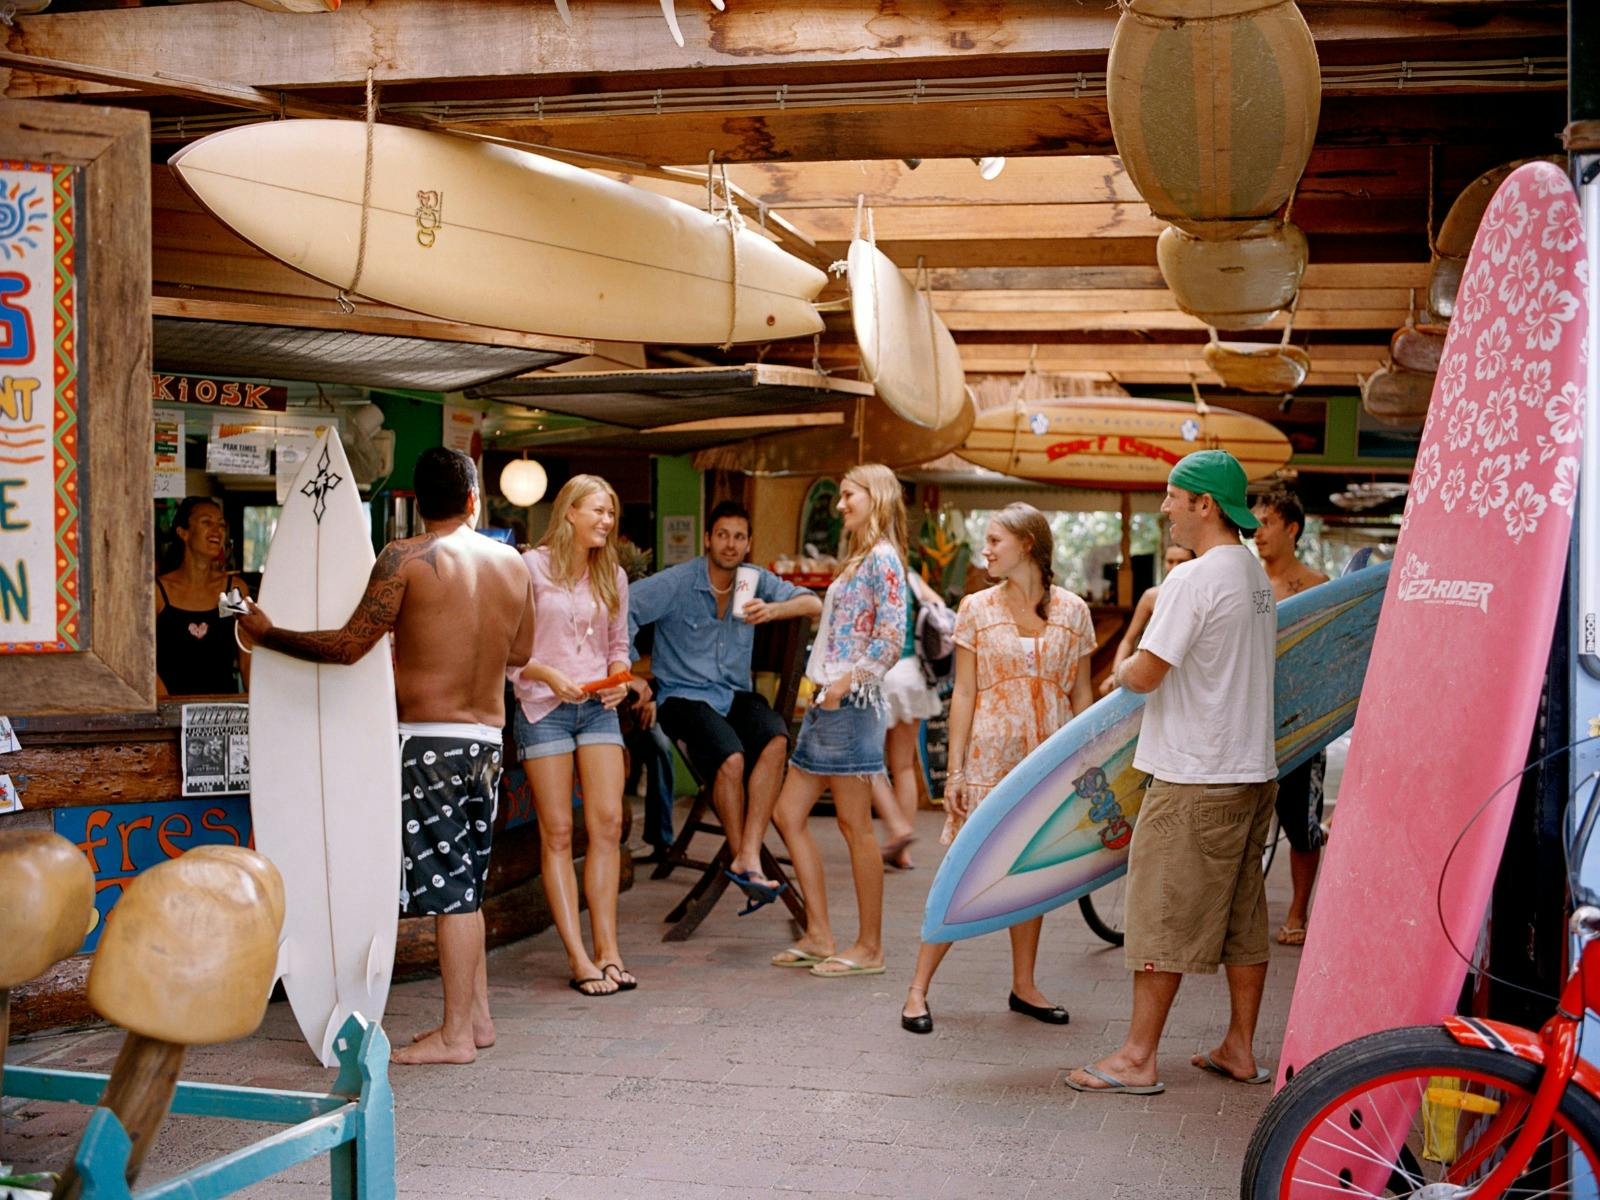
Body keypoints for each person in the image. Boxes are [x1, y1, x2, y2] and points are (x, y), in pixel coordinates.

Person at [238, 447, 534, 1065]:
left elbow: (348, 646)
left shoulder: (404, 559)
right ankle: (477, 1020)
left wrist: (268, 635)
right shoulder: (513, 564)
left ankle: (455, 1037)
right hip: (487, 744)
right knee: (470, 888)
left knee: (451, 894)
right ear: (475, 498)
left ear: (418, 505)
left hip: (430, 745)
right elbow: (522, 653)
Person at [1067, 450, 1277, 1095]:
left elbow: (1148, 673)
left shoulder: (1193, 579)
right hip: (1250, 770)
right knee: (1244, 917)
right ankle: (1239, 1046)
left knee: (1160, 911)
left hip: (1194, 774)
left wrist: (1121, 667)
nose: (1164, 510)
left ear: (1203, 505)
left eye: (1171, 497)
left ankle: (1136, 1058)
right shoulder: (1252, 572)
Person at [899, 504, 1095, 1033]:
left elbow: (1081, 695)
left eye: (993, 540)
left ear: (1027, 545)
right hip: (989, 761)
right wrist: (955, 772)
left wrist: (1091, 769)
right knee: (964, 873)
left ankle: (1024, 985)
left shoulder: (1074, 611)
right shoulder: (975, 608)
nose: (984, 549)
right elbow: (962, 693)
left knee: (1032, 872)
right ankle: (917, 990)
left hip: (1050, 763)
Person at [627, 500, 822, 911]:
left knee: (775, 741)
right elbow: (621, 609)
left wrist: (774, 609)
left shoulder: (752, 581)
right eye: (722, 535)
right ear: (707, 539)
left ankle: (747, 854)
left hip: (731, 694)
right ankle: (744, 861)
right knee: (730, 758)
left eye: (738, 537)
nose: (730, 545)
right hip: (681, 696)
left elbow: (813, 603)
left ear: (748, 543)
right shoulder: (678, 582)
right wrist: (628, 673)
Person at [769, 463, 907, 978]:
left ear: (876, 497)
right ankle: (820, 932)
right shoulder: (861, 558)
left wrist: (843, 685)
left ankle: (870, 947)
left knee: (855, 828)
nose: (841, 503)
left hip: (848, 706)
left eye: (849, 495)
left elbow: (891, 638)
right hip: (829, 703)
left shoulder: (882, 559)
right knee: (787, 814)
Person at [513, 474, 641, 998]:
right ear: (569, 512)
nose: (607, 522)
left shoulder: (611, 572)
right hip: (544, 708)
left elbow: (619, 643)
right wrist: (549, 677)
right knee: (559, 832)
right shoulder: (529, 568)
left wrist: (619, 677)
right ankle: (578, 956)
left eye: (611, 513)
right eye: (598, 511)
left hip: (597, 709)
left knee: (608, 825)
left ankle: (609, 951)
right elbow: (511, 648)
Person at [1252, 486, 1328, 947]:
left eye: (1266, 523)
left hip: (1303, 723)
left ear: (1292, 529)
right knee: (1244, 828)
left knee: (1303, 824)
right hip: (1250, 723)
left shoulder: (1318, 586)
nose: (1256, 533)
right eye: (1254, 523)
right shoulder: (1249, 583)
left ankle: (1298, 911)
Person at [872, 570, 949, 871]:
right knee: (903, 765)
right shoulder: (910, 576)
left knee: (868, 761)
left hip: (881, 673)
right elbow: (938, 606)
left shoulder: (870, 570)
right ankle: (901, 849)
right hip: (913, 673)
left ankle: (895, 830)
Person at [156, 497, 252, 696]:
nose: (217, 531)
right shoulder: (158, 592)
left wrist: (256, 707)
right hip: (169, 714)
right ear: (183, 533)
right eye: (207, 522)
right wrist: (166, 707)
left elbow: (246, 655)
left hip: (222, 716)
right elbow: (140, 659)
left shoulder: (230, 591)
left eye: (221, 525)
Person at [1098, 543, 1195, 697]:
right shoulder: (1151, 596)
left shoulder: (1197, 597)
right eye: (1170, 561)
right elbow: (1128, 640)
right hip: (1149, 677)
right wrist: (1114, 674)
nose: (1174, 566)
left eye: (1181, 561)